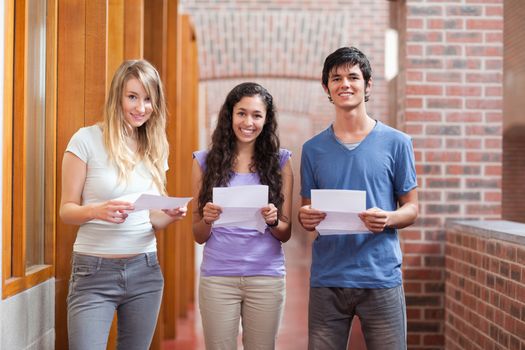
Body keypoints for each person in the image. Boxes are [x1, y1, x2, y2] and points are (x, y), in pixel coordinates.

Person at [60, 59, 187, 350]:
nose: (140, 108)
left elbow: (153, 218)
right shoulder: (86, 140)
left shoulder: (155, 146)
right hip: (92, 272)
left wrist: (169, 214)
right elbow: (66, 210)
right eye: (132, 97)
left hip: (145, 271)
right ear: (118, 95)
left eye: (148, 100)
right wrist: (97, 211)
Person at [298, 47, 419, 350]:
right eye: (336, 78)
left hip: (380, 276)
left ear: (368, 84)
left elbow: (412, 208)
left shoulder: (397, 143)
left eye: (353, 76)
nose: (345, 84)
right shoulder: (312, 149)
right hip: (328, 278)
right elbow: (306, 212)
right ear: (326, 87)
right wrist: (306, 217)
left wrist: (388, 218)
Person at [192, 82, 293, 350]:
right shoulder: (203, 162)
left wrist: (273, 220)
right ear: (230, 115)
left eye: (257, 115)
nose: (248, 122)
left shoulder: (281, 162)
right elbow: (198, 235)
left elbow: (286, 232)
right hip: (218, 278)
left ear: (266, 120)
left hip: (266, 277)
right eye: (241, 113)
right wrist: (208, 219)